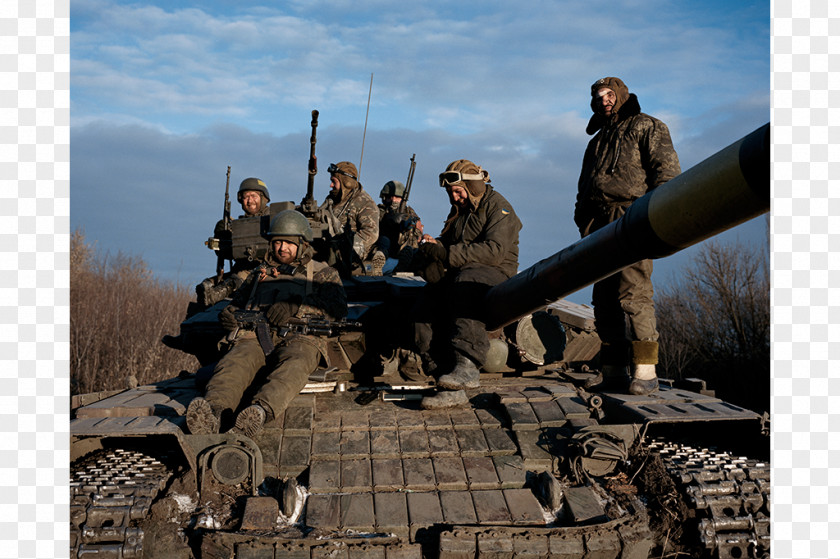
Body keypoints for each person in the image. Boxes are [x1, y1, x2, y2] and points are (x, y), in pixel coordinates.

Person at [185, 209, 347, 437]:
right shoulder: (258, 274)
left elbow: (337, 308)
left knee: (295, 365)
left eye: (288, 243)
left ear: (302, 243)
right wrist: (230, 315)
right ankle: (212, 413)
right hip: (254, 336)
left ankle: (258, 412)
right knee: (234, 364)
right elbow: (237, 303)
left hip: (301, 337)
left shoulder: (322, 273)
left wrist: (296, 307)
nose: (282, 248)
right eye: (277, 242)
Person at [574, 76, 681, 396]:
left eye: (609, 94)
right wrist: (584, 222)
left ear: (622, 96)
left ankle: (645, 372)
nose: (603, 100)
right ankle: (614, 371)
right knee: (604, 299)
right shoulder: (596, 142)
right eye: (597, 96)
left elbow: (667, 175)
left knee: (632, 293)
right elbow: (584, 188)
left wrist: (652, 218)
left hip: (632, 215)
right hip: (599, 223)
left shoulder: (647, 126)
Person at [412, 159, 522, 409]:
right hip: (464, 269)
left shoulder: (499, 208)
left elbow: (494, 252)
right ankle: (445, 378)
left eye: (458, 191)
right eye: (451, 193)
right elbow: (449, 242)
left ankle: (468, 367)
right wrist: (434, 246)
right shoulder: (459, 210)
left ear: (472, 187)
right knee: (425, 303)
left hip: (495, 272)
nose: (455, 197)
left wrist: (447, 254)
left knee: (465, 285)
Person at [196, 177, 272, 307]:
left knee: (238, 278)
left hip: (266, 268)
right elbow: (225, 253)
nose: (250, 200)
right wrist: (223, 234)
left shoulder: (275, 219)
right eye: (246, 197)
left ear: (263, 198)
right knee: (206, 285)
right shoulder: (237, 226)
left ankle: (215, 296)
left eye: (254, 196)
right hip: (241, 269)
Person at [317, 161, 379, 277]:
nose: (331, 185)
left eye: (333, 181)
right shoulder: (332, 199)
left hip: (349, 256)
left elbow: (371, 234)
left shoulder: (365, 202)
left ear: (346, 183)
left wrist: (344, 247)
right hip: (327, 247)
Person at [373, 180, 424, 274]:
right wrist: (389, 221)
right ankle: (380, 261)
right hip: (386, 248)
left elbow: (418, 230)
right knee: (384, 241)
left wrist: (408, 224)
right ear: (384, 198)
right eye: (390, 197)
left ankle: (401, 265)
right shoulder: (378, 211)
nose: (393, 200)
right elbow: (373, 226)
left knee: (410, 249)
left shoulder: (409, 212)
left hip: (402, 247)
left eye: (397, 197)